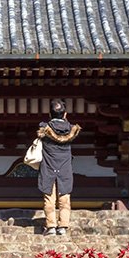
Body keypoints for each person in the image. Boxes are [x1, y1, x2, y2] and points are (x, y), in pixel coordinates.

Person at [38, 99, 81, 237]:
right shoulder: (71, 129)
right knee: (65, 197)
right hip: (65, 167)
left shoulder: (45, 128)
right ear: (65, 114)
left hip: (49, 166)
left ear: (50, 114)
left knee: (49, 197)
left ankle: (51, 226)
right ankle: (63, 225)